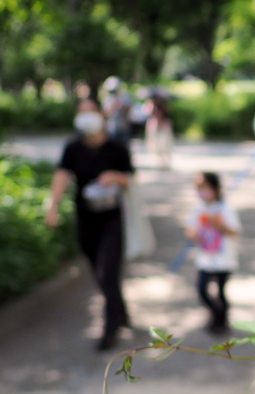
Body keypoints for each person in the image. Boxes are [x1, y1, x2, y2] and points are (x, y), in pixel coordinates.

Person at [46, 98, 134, 351]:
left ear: (101, 116)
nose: (85, 117)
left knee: (108, 272)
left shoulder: (116, 147)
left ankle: (110, 328)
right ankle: (121, 310)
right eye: (80, 112)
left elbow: (129, 179)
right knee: (100, 273)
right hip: (85, 219)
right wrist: (52, 206)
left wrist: (115, 177)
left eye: (90, 112)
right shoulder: (73, 147)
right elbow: (62, 175)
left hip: (111, 219)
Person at [185, 172, 240, 334]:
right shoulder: (199, 209)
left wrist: (219, 225)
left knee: (220, 292)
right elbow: (190, 228)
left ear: (214, 187)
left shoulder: (225, 209)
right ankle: (215, 315)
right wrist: (193, 234)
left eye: (204, 187)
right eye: (198, 188)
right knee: (202, 290)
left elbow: (234, 231)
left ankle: (221, 321)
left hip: (224, 260)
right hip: (205, 259)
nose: (201, 191)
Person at [144, 95, 173, 170]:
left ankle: (165, 160)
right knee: (155, 144)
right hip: (155, 126)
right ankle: (159, 160)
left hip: (163, 126)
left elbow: (168, 112)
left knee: (165, 143)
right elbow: (147, 113)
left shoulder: (164, 106)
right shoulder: (150, 106)